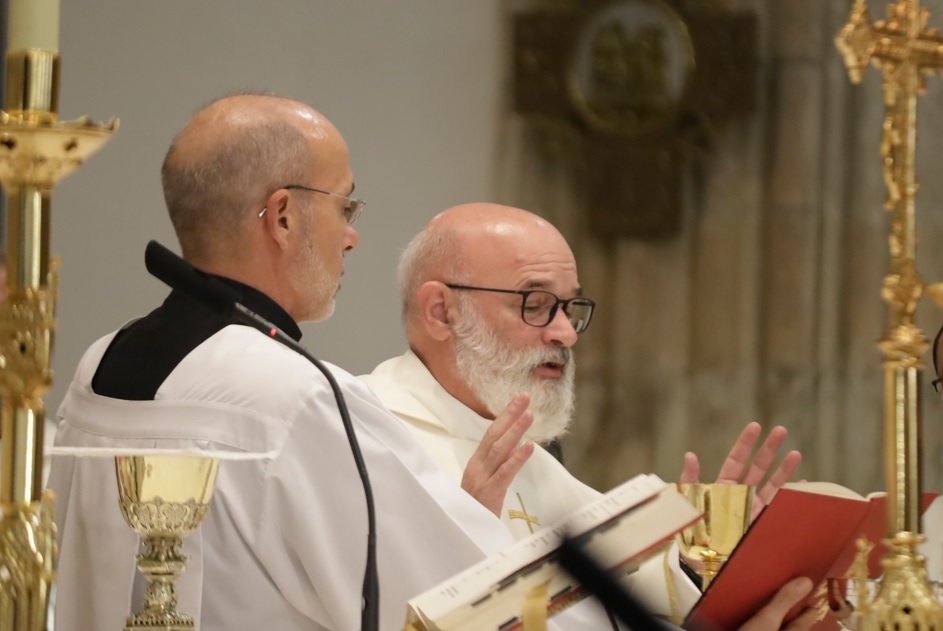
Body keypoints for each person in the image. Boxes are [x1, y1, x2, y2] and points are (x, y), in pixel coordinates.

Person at [46, 94, 537, 631]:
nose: (351, 237)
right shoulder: (298, 396)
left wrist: (450, 525)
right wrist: (461, 540)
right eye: (344, 207)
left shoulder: (97, 366)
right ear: (281, 217)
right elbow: (444, 609)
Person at [361, 202, 808, 620]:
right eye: (534, 305)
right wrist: (465, 535)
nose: (565, 334)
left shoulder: (530, 455)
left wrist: (705, 551)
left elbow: (625, 588)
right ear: (442, 311)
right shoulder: (364, 433)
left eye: (568, 307)